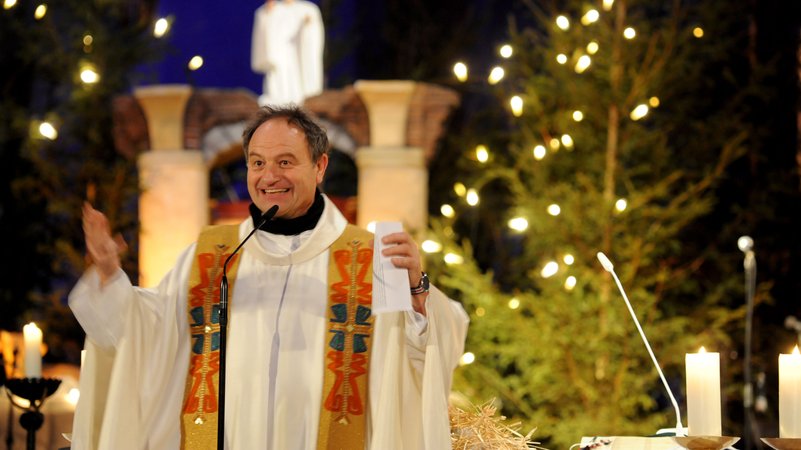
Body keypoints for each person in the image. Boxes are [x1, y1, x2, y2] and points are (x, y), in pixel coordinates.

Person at [68, 105, 469, 450]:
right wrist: (108, 276)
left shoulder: (369, 256)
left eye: (285, 162)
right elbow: (146, 331)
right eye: (257, 163)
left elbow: (421, 354)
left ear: (320, 166)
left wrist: (417, 289)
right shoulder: (214, 255)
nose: (268, 176)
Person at [251, 0, 324, 106]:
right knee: (278, 83)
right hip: (278, 56)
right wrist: (267, 13)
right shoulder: (273, 9)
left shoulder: (308, 9)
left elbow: (314, 33)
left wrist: (308, 26)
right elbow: (265, 30)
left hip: (298, 55)